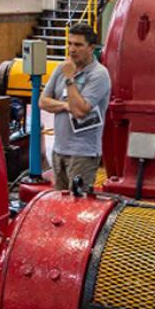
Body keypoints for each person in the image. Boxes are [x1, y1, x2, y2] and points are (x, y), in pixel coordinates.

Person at [39, 24, 112, 191]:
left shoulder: (99, 74)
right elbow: (43, 102)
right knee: (59, 203)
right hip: (59, 150)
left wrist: (70, 79)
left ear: (91, 48)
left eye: (78, 45)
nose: (72, 49)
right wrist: (66, 105)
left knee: (78, 205)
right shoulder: (61, 68)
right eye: (69, 43)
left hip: (83, 154)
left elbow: (80, 111)